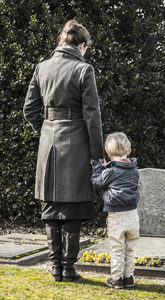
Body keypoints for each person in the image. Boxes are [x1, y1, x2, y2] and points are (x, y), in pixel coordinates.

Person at [23, 20, 104, 282]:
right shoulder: (84, 69)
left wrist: (45, 129)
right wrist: (97, 153)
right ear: (81, 44)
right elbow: (92, 115)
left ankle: (56, 268)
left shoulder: (42, 67)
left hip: (49, 143)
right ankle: (68, 269)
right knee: (73, 207)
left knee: (51, 205)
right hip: (78, 142)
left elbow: (29, 110)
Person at [91, 132, 140, 289]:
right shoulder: (134, 170)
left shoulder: (111, 171)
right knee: (130, 248)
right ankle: (129, 277)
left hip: (116, 215)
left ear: (108, 153)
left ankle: (117, 278)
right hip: (133, 214)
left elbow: (97, 182)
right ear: (129, 151)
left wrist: (97, 167)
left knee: (117, 248)